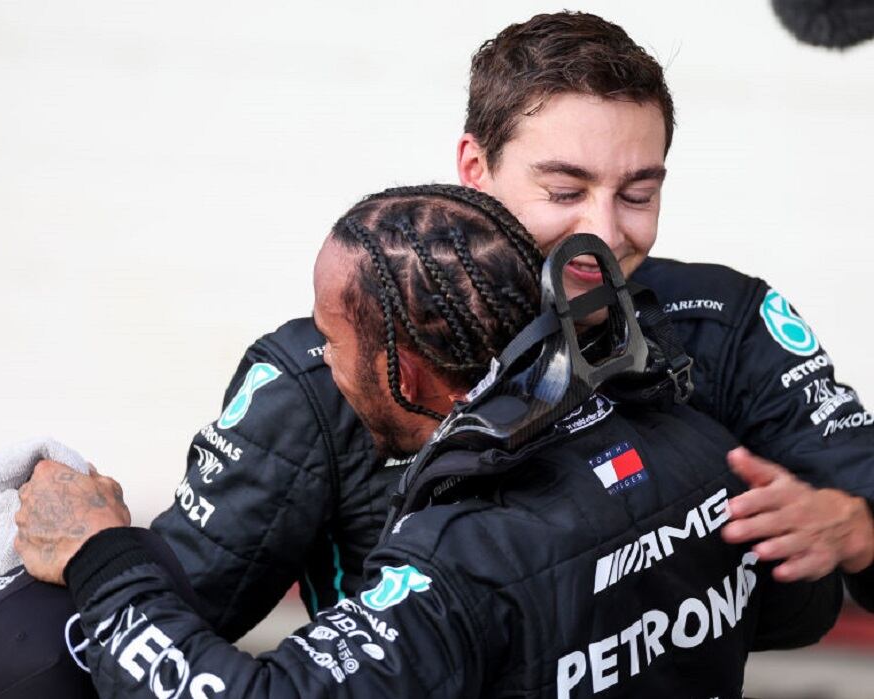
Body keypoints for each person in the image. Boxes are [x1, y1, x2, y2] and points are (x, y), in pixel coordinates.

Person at [138, 11, 873, 644]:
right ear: (475, 167)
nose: (604, 231)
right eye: (565, 189)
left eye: (637, 194)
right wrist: (99, 556)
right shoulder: (327, 375)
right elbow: (152, 633)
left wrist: (856, 530)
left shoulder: (721, 321)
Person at [14, 185, 842, 698]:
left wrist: (104, 555)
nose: (324, 364)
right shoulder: (694, 438)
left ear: (404, 373)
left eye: (332, 343)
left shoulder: (458, 560)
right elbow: (801, 609)